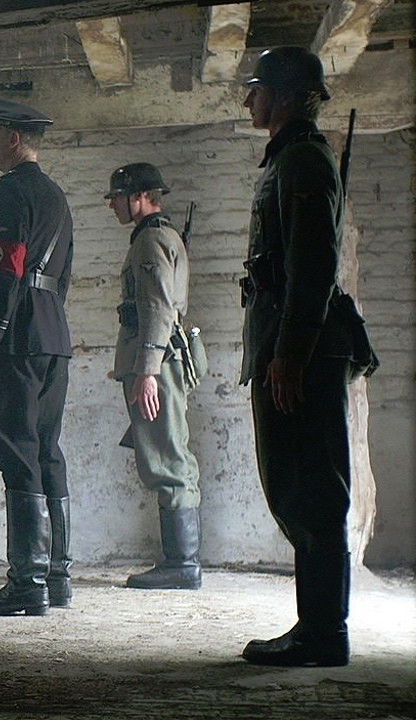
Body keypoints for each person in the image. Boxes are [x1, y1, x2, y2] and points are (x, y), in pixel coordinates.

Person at [238, 47, 355, 667]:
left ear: (283, 96)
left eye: (256, 89)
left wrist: (289, 353)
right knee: (295, 485)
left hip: (298, 351)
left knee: (313, 489)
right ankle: (317, 627)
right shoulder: (290, 157)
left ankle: (324, 633)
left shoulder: (304, 159)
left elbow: (313, 267)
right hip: (286, 345)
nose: (248, 100)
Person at [0, 97, 74, 616]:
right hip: (53, 334)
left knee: (20, 455)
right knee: (48, 451)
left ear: (11, 138)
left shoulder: (11, 191)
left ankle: (27, 582)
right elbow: (63, 275)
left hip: (17, 337)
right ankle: (57, 577)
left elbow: (4, 273)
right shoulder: (56, 195)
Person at [105, 163, 203, 591]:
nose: (112, 204)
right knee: (166, 451)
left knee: (166, 457)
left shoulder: (151, 240)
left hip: (157, 364)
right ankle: (180, 561)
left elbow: (159, 308)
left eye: (117, 197)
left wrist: (146, 371)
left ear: (139, 197)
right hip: (160, 360)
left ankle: (182, 564)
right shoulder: (159, 236)